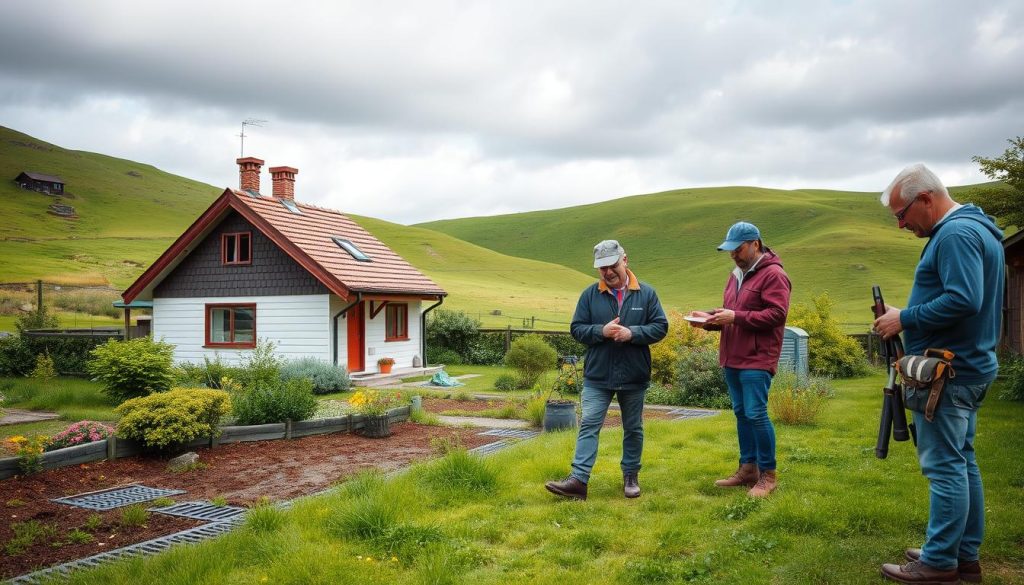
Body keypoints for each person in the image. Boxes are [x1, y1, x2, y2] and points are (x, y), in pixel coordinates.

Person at [873, 164, 1004, 585]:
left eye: (902, 214)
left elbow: (964, 299)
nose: (900, 225)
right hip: (969, 366)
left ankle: (939, 562)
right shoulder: (977, 228)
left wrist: (904, 317)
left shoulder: (954, 234)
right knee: (963, 462)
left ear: (925, 199)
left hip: (948, 373)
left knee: (945, 467)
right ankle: (962, 556)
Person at [545, 240, 668, 501]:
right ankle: (578, 481)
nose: (608, 272)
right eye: (602, 268)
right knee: (589, 423)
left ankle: (631, 476)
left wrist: (632, 333)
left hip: (634, 375)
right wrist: (600, 331)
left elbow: (660, 327)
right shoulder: (590, 295)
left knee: (633, 427)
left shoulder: (646, 294)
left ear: (625, 260)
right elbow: (577, 329)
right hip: (598, 376)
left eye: (612, 266)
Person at [688, 221, 791, 498]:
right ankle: (748, 469)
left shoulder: (773, 275)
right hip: (732, 356)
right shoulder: (735, 275)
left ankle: (768, 475)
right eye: (730, 250)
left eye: (738, 249)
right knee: (742, 414)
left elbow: (777, 315)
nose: (733, 254)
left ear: (755, 244)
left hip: (758, 358)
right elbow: (732, 312)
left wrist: (736, 317)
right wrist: (709, 319)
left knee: (756, 414)